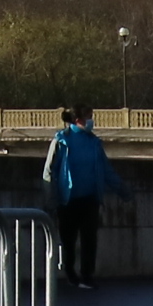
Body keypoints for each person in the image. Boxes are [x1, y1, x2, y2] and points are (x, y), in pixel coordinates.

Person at [42, 103, 123, 289]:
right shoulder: (61, 140)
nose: (92, 121)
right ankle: (71, 274)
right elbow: (49, 171)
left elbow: (105, 169)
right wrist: (51, 199)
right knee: (68, 240)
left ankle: (87, 276)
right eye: (89, 117)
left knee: (89, 239)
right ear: (78, 120)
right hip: (67, 200)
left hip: (90, 198)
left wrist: (122, 189)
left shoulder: (94, 142)